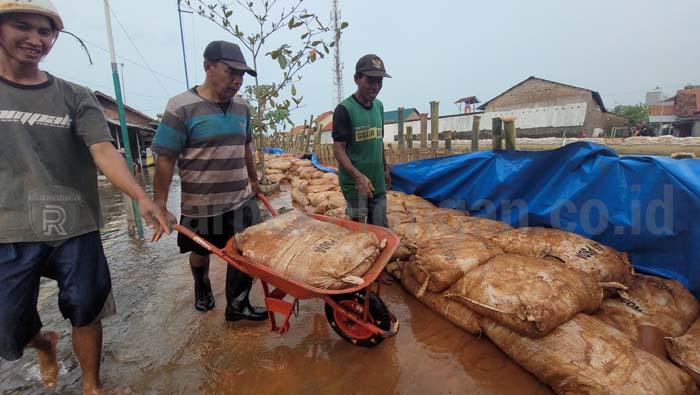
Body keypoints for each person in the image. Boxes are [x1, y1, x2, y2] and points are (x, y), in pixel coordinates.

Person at [0, 1, 173, 394]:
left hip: (74, 225)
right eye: (22, 27)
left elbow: (103, 150)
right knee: (8, 327)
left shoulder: (74, 96)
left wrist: (140, 198)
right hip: (7, 228)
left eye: (45, 32)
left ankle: (91, 385)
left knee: (86, 309)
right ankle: (44, 343)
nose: (34, 39)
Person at [152, 41, 267, 322]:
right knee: (201, 251)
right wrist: (159, 204)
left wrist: (254, 181)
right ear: (208, 67)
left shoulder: (242, 107)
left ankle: (237, 305)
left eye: (243, 75)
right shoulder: (181, 107)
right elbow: (165, 158)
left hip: (240, 198)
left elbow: (245, 147)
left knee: (245, 252)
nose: (238, 81)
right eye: (232, 72)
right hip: (201, 204)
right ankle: (201, 286)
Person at [332, 54, 391, 228]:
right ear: (357, 79)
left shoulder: (379, 106)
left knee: (381, 227)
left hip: (377, 181)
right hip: (354, 184)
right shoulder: (345, 110)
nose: (375, 86)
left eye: (379, 81)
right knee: (360, 230)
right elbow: (338, 150)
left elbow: (378, 140)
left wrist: (385, 169)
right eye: (370, 81)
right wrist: (358, 177)